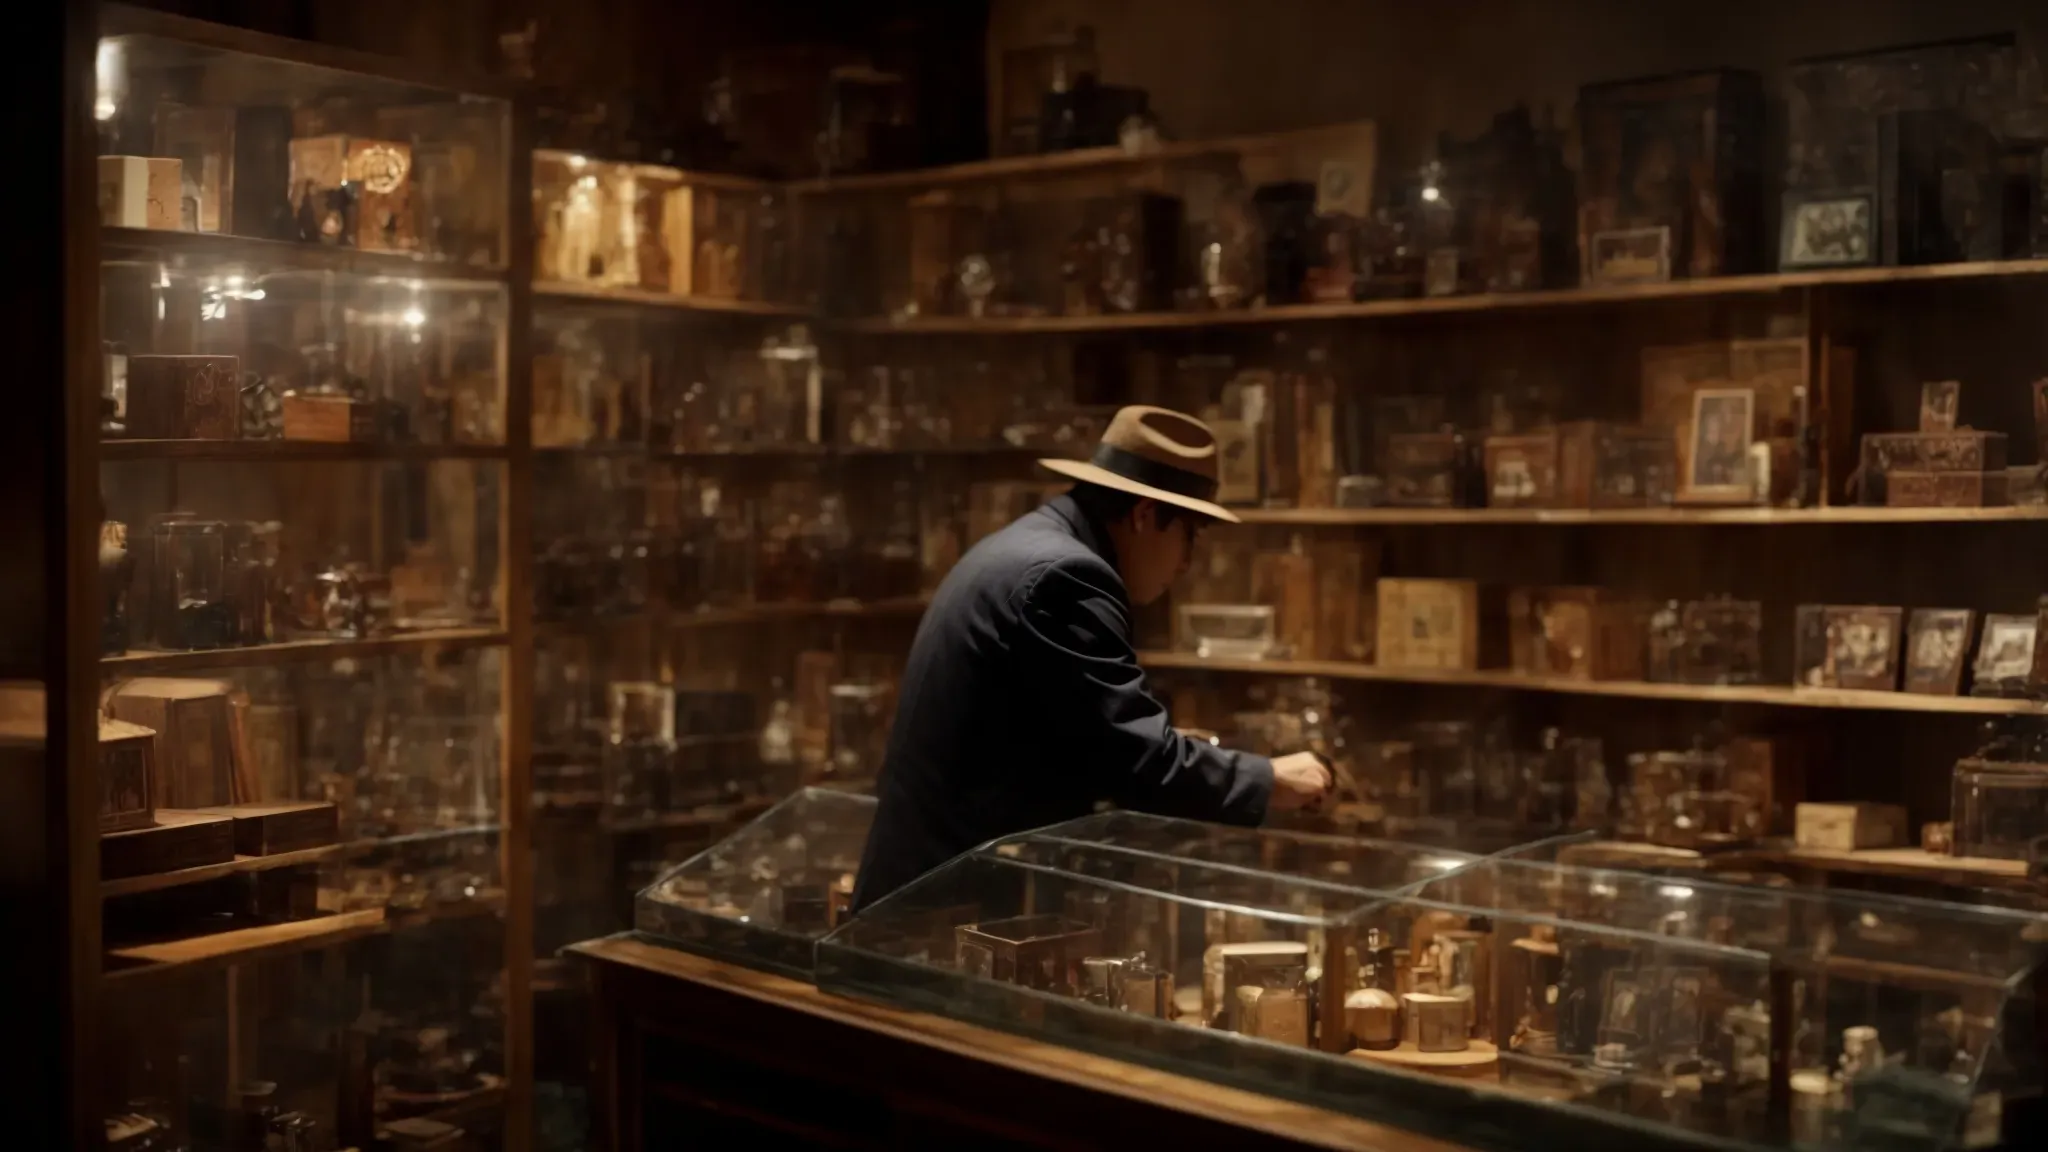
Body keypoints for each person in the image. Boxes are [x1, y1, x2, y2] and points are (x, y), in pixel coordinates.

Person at [851, 405, 1334, 911]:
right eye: (1189, 534)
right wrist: (1270, 778)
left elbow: (1072, 738)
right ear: (1146, 516)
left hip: (933, 896)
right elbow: (1137, 763)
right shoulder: (1069, 576)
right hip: (947, 910)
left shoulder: (1032, 546)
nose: (1188, 562)